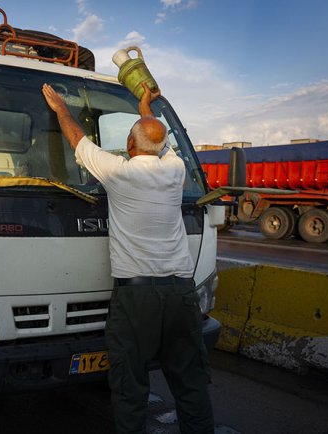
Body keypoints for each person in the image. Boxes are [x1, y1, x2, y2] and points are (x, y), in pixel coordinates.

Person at [42, 82, 214, 434]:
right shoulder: (175, 170)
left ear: (129, 146)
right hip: (182, 295)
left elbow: (78, 140)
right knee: (191, 386)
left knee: (130, 387)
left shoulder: (119, 173)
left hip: (136, 299)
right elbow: (158, 142)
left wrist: (61, 109)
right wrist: (144, 108)